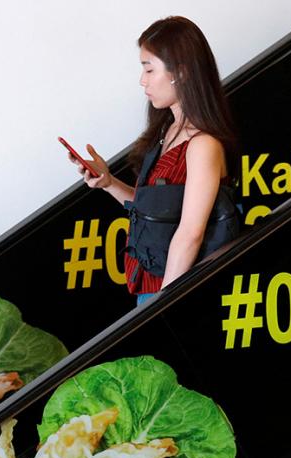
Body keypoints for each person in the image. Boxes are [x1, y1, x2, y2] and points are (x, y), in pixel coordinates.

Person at [70, 16, 241, 306]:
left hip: (177, 292)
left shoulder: (203, 146)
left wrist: (162, 304)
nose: (142, 80)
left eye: (149, 69)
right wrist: (108, 182)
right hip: (152, 284)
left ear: (181, 73)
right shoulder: (167, 132)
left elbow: (190, 233)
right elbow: (155, 210)